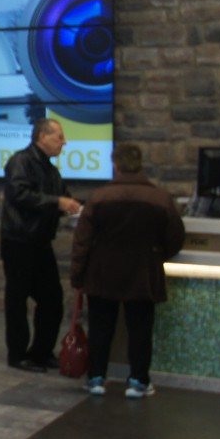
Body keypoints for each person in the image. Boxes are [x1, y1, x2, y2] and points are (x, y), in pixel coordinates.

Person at [70, 142, 186, 399]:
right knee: (140, 329)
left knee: (100, 328)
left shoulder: (98, 197)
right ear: (140, 164)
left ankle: (96, 378)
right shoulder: (160, 198)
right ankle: (138, 381)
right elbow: (176, 237)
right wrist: (156, 255)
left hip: (102, 272)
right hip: (142, 273)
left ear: (115, 165)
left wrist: (77, 275)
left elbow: (82, 241)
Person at [0, 117, 82, 371]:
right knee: (17, 299)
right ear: (42, 137)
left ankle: (41, 352)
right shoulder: (21, 161)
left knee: (52, 299)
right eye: (59, 137)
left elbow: (63, 198)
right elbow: (19, 194)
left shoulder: (51, 170)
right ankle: (17, 354)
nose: (64, 143)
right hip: (19, 240)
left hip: (41, 242)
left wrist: (75, 206)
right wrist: (57, 203)